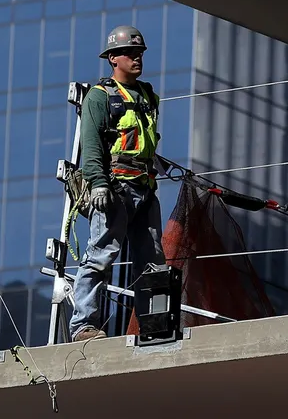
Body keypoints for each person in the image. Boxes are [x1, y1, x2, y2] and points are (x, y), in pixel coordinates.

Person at [68, 25, 167, 342]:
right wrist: (98, 183)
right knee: (99, 255)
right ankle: (83, 324)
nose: (137, 57)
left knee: (151, 262)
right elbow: (92, 145)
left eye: (139, 52)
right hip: (116, 189)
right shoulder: (100, 97)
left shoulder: (148, 96)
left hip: (145, 188)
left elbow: (144, 140)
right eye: (130, 52)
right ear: (113, 58)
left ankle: (153, 323)